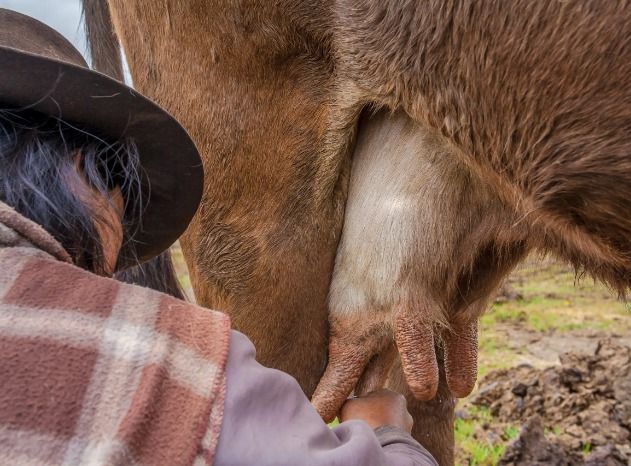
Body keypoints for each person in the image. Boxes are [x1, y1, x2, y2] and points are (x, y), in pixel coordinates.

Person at [0, 9, 437, 466]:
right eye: (115, 179)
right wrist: (387, 436)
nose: (122, 213)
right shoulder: (174, 365)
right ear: (75, 169)